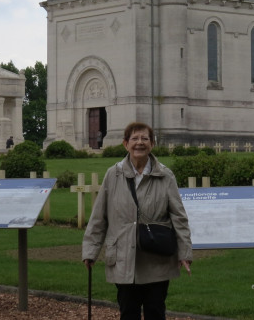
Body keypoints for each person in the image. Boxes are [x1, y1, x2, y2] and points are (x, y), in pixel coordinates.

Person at [82, 122, 192, 320]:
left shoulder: (165, 176)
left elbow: (179, 217)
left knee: (155, 311)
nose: (139, 143)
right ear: (125, 144)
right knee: (128, 312)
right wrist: (90, 251)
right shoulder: (112, 175)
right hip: (123, 257)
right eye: (134, 138)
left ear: (152, 144)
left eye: (145, 138)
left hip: (157, 257)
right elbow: (99, 217)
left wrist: (184, 253)